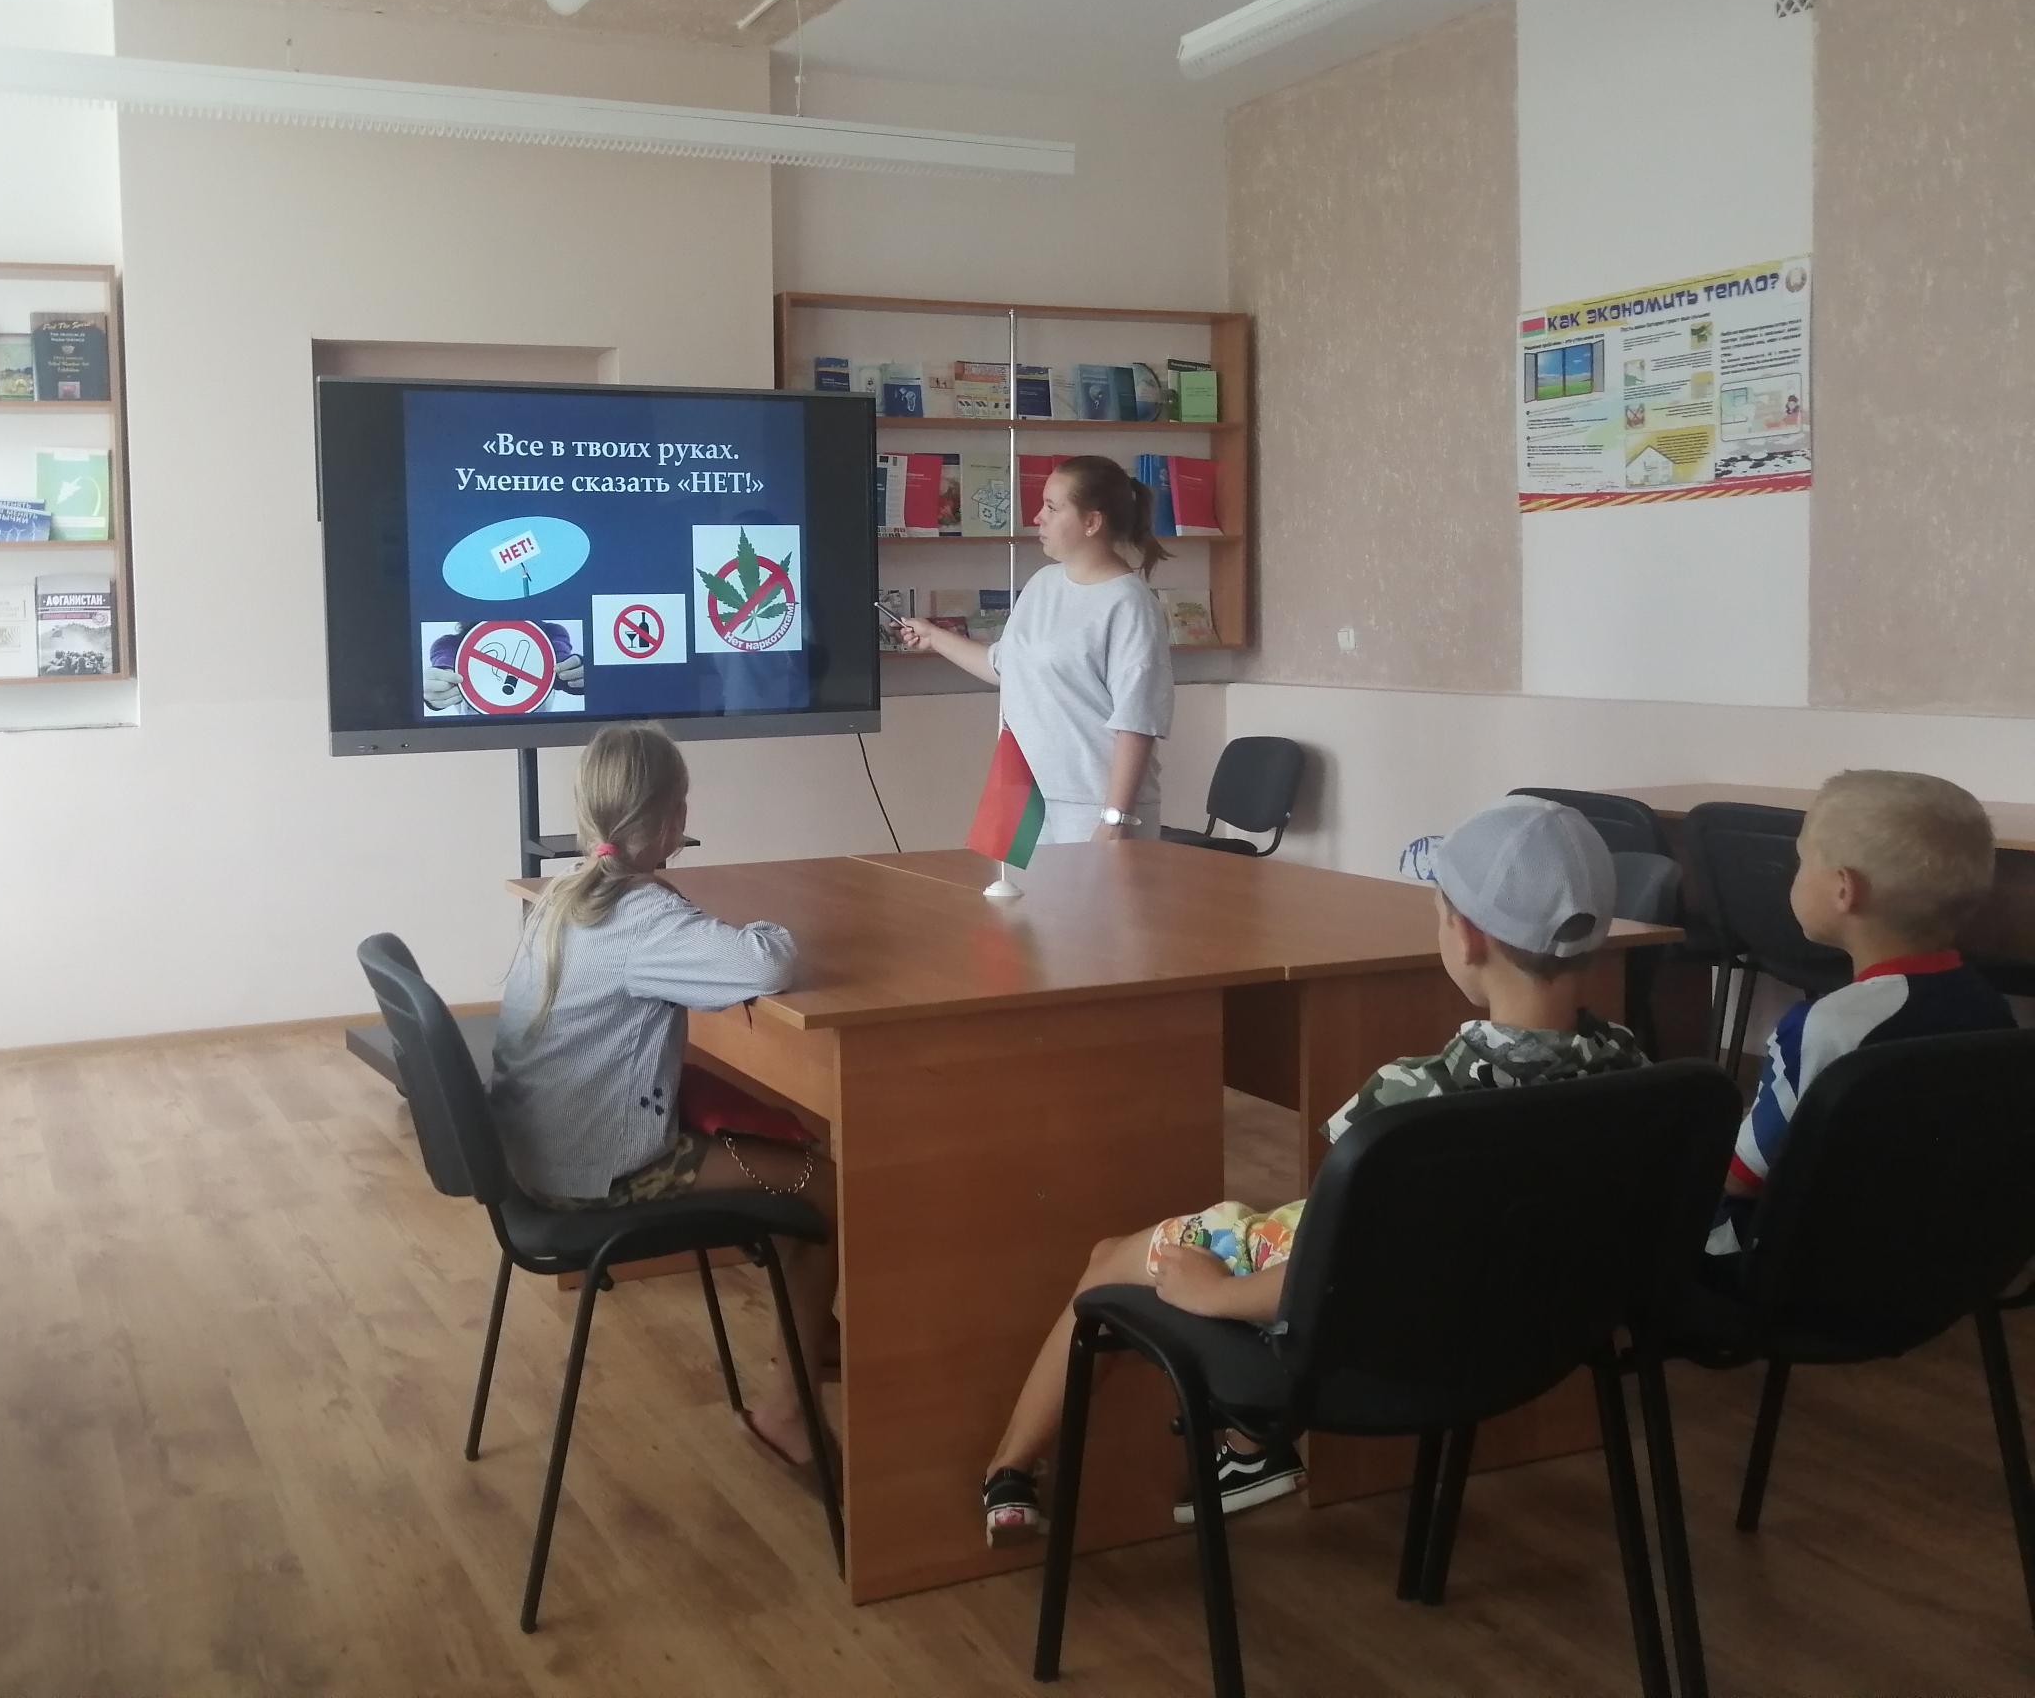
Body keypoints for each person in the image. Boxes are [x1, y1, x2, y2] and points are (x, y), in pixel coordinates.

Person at [979, 796, 1648, 1544]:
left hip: (1383, 1347)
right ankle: (1245, 1449)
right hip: (1532, 1338)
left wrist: (1219, 1294)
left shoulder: (1409, 1104)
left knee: (1109, 1263)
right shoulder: (1638, 1077)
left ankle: (1011, 1468)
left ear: (1465, 935)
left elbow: (1338, 1274)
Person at [487, 722, 838, 1471]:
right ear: (675, 821)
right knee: (825, 1183)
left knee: (793, 1142)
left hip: (532, 1155)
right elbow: (766, 963)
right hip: (593, 1172)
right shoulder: (643, 918)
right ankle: (786, 1409)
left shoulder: (562, 896)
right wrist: (769, 921)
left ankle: (811, 1336)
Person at [1705, 770, 2012, 1268]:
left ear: (1844, 889)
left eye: (1802, 861)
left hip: (1792, 1271)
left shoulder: (1822, 1027)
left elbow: (1740, 1177)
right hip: (1935, 1267)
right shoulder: (1989, 1006)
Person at [900, 455, 1173, 843]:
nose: (1037, 518)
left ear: (1092, 522)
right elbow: (1004, 666)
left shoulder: (1129, 603)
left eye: (1052, 507)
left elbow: (1138, 719)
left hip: (1094, 807)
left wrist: (1115, 818)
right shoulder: (1043, 583)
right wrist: (933, 636)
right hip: (1024, 798)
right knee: (1011, 887)